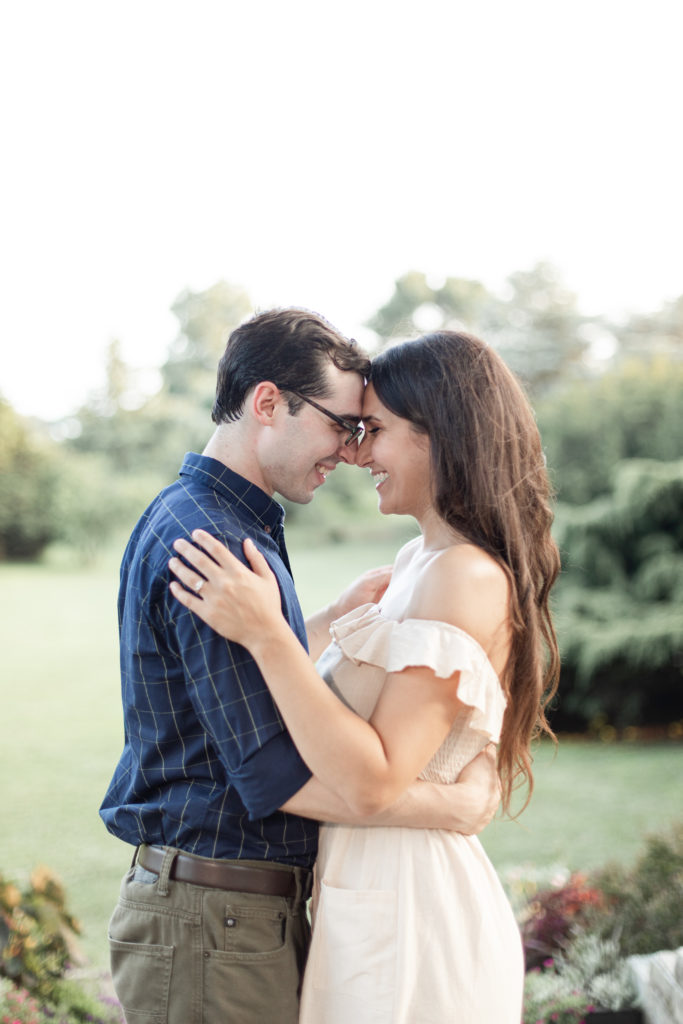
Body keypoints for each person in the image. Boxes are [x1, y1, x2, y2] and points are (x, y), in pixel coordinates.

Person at [100, 310, 501, 1024]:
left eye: (364, 430)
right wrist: (451, 805)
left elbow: (243, 698)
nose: (349, 452)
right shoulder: (211, 542)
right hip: (213, 919)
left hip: (229, 916)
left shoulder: (233, 520)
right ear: (266, 403)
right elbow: (266, 768)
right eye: (340, 424)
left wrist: (309, 630)